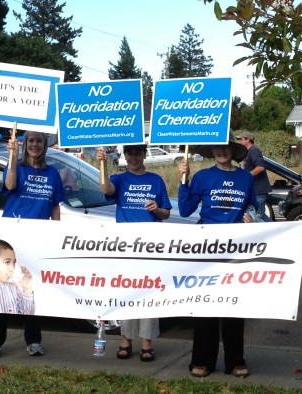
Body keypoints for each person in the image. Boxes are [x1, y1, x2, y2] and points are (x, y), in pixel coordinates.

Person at [177, 132, 257, 379]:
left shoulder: (245, 178)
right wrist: (183, 181)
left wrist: (253, 216)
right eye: (217, 147)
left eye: (226, 147)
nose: (222, 151)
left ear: (233, 150)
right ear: (212, 151)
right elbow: (185, 209)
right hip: (207, 248)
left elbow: (253, 206)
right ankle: (201, 360)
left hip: (235, 248)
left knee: (233, 305)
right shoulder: (202, 177)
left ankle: (235, 361)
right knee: (205, 307)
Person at [0, 131, 65, 359]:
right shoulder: (16, 168)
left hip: (38, 238)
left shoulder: (53, 174)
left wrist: (56, 231)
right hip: (12, 237)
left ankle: (34, 340)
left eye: (39, 141)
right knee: (4, 287)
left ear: (45, 145)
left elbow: (55, 206)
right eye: (31, 141)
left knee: (31, 289)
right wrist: (12, 157)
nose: (35, 145)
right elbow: (9, 184)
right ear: (24, 144)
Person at [96, 144, 172, 362]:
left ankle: (146, 341)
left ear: (144, 155)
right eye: (130, 153)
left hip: (150, 245)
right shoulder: (120, 179)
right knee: (127, 292)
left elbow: (166, 213)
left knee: (149, 292)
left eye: (138, 153)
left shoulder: (156, 180)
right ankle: (126, 339)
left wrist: (157, 210)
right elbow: (105, 190)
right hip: (126, 245)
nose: (134, 157)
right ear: (125, 155)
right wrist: (101, 161)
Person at [236, 130, 272, 221]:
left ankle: (278, 231)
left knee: (260, 215)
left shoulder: (254, 151)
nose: (239, 142)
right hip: (254, 190)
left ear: (248, 140)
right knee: (254, 215)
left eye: (241, 139)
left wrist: (247, 175)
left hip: (259, 190)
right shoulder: (248, 152)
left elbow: (261, 167)